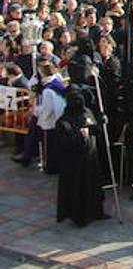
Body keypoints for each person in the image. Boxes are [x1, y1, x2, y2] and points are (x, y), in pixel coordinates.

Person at [53, 91, 106, 228]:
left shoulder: (87, 112)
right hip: (74, 164)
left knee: (92, 187)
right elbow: (62, 144)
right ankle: (78, 216)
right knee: (78, 190)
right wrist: (79, 137)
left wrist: (100, 122)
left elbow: (95, 129)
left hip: (91, 159)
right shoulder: (63, 122)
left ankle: (96, 212)